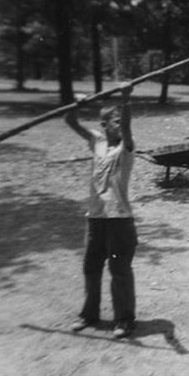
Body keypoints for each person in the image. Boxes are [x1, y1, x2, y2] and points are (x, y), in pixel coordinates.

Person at [66, 83, 139, 338]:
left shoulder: (126, 148)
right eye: (115, 121)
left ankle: (124, 319)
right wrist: (77, 104)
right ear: (104, 124)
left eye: (121, 121)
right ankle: (89, 314)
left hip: (119, 219)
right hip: (95, 217)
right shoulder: (96, 142)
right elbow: (70, 121)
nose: (119, 125)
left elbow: (128, 129)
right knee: (91, 267)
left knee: (119, 271)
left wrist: (126, 98)